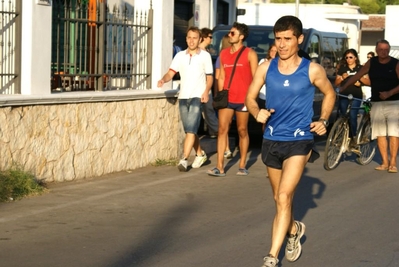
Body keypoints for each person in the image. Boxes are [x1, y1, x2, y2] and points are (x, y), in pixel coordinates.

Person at [245, 15, 335, 266]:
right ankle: (294, 230)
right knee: (279, 199)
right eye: (278, 39)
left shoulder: (312, 69)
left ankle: (272, 256)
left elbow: (329, 94)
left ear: (299, 39)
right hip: (272, 140)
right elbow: (250, 97)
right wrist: (256, 112)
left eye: (287, 39)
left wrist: (324, 119)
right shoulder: (266, 68)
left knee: (284, 196)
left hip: (300, 140)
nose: (282, 44)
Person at [158, 26, 213, 172]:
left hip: (197, 96)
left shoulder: (204, 56)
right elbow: (171, 72)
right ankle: (200, 154)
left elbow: (210, 77)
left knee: (190, 130)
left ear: (200, 39)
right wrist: (163, 79)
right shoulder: (180, 55)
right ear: (186, 38)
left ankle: (184, 159)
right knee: (190, 129)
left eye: (195, 38)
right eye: (189, 37)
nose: (191, 40)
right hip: (183, 96)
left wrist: (206, 92)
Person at [207, 22, 258, 177]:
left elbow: (256, 78)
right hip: (228, 98)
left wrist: (252, 98)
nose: (230, 35)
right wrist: (220, 94)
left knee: (242, 130)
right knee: (223, 130)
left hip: (244, 99)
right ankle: (219, 166)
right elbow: (221, 76)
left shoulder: (250, 53)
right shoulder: (223, 54)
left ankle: (242, 165)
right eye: (230, 33)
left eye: (233, 33)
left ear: (241, 37)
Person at [340, 39, 399, 173]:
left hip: (394, 103)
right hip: (376, 102)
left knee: (394, 132)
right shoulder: (372, 62)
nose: (383, 52)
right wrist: (344, 87)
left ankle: (393, 162)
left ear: (389, 50)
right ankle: (384, 162)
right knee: (380, 133)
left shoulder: (396, 63)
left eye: (386, 49)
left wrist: (389, 93)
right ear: (376, 50)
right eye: (381, 49)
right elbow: (357, 76)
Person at [335, 49, 370, 147]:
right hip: (344, 94)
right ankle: (341, 135)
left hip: (356, 95)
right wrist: (342, 77)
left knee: (353, 115)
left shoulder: (361, 68)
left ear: (355, 58)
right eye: (347, 57)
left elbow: (368, 82)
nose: (349, 59)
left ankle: (353, 137)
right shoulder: (342, 68)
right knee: (343, 115)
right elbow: (336, 83)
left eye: (351, 57)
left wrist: (360, 80)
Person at [214, 34, 234, 159]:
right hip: (225, 93)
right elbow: (218, 77)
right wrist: (218, 95)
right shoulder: (221, 57)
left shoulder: (225, 57)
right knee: (224, 123)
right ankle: (226, 148)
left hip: (228, 93)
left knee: (227, 123)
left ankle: (226, 148)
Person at [199, 28, 219, 138]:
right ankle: (217, 130)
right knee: (208, 109)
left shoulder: (206, 51)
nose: (211, 39)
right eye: (210, 37)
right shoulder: (201, 51)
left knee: (207, 110)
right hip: (203, 84)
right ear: (204, 38)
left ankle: (213, 131)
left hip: (207, 84)